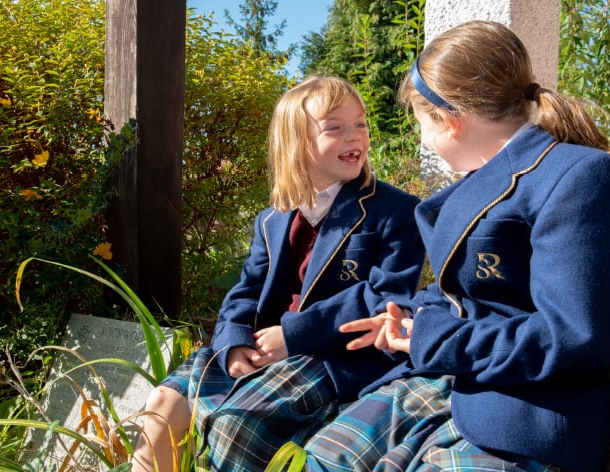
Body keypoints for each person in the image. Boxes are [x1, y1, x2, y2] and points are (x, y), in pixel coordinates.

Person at [303, 20, 610, 472]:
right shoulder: (480, 183)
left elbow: (579, 334)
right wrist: (410, 319)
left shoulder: (578, 176)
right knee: (325, 457)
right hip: (450, 382)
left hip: (525, 410)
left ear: (451, 120)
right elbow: (461, 292)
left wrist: (436, 339)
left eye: (423, 123)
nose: (424, 139)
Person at [129, 75, 426, 471]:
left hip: (332, 356)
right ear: (296, 142)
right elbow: (247, 289)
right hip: (262, 346)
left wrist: (293, 335)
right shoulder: (273, 218)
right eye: (334, 128)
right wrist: (233, 343)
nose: (354, 137)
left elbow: (385, 297)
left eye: (361, 125)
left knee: (236, 425)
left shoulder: (394, 210)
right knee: (162, 405)